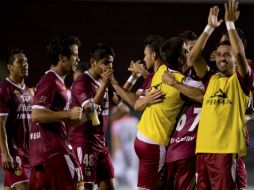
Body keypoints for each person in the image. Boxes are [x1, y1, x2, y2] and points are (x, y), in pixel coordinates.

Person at [189, 2, 253, 189]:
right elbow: (193, 57)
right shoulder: (210, 78)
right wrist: (209, 27)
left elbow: (240, 53)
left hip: (225, 152)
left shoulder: (241, 80)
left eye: (227, 54)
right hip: (202, 150)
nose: (222, 58)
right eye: (219, 54)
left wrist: (230, 24)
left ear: (235, 59)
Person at [133, 36, 204, 190]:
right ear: (180, 60)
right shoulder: (181, 82)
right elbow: (202, 95)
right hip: (155, 143)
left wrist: (144, 75)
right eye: (186, 52)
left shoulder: (161, 71)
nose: (189, 54)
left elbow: (137, 104)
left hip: (141, 137)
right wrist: (174, 83)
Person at [29, 35, 87, 190]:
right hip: (55, 152)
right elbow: (36, 115)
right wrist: (68, 113)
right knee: (78, 185)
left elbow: (63, 121)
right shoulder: (50, 79)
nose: (78, 59)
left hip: (43, 154)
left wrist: (85, 114)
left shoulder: (58, 82)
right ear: (62, 57)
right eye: (75, 54)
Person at [70, 43, 126, 190]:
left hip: (101, 142)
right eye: (105, 63)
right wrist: (104, 85)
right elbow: (91, 110)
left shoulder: (102, 81)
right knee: (85, 187)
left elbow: (119, 101)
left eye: (111, 63)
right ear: (93, 62)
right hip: (84, 141)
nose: (109, 67)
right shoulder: (82, 82)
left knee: (109, 186)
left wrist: (133, 78)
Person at [162, 31, 205, 190]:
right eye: (189, 50)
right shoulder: (164, 73)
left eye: (196, 48)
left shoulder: (203, 78)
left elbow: (203, 97)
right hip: (168, 150)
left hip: (189, 151)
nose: (193, 53)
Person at [0, 49, 33, 190]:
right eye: (20, 61)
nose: (25, 65)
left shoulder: (29, 91)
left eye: (26, 61)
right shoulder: (4, 89)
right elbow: (0, 124)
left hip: (30, 152)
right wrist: (5, 153)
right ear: (10, 67)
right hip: (13, 152)